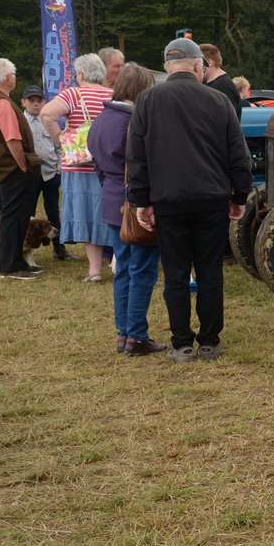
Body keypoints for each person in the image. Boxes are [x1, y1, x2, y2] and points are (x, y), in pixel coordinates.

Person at [126, 37, 251, 362]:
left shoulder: (147, 100)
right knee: (210, 270)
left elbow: (136, 156)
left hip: (169, 200)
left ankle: (181, 342)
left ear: (167, 68)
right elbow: (238, 153)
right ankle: (209, 340)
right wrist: (239, 195)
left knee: (176, 272)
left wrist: (141, 200)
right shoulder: (219, 101)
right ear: (199, 66)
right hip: (211, 199)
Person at [88, 63, 164, 356]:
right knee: (142, 269)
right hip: (133, 204)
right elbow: (141, 167)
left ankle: (123, 333)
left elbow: (96, 162)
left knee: (123, 270)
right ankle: (137, 336)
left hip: (109, 200)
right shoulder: (133, 122)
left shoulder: (101, 119)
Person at [39, 52, 115, 281]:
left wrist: (60, 137)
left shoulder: (72, 94)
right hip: (107, 165)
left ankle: (94, 271)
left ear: (80, 73)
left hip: (78, 165)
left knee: (86, 217)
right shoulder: (113, 95)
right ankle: (116, 263)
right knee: (110, 216)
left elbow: (46, 114)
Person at [0, 58, 41, 280]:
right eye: (14, 75)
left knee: (14, 216)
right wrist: (22, 165)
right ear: (8, 78)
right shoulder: (1, 102)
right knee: (14, 217)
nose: (15, 78)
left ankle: (15, 261)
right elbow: (12, 138)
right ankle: (10, 265)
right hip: (11, 168)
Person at [21, 85, 67, 261]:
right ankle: (26, 249)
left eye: (38, 100)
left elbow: (58, 144)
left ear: (44, 102)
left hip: (50, 174)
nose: (35, 104)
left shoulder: (48, 120)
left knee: (53, 212)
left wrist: (58, 168)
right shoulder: (20, 122)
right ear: (23, 102)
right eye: (31, 100)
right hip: (30, 175)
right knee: (28, 214)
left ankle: (59, 249)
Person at [199, 44, 244, 118]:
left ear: (209, 62)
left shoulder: (223, 86)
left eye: (198, 63)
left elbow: (224, 121)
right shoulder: (213, 84)